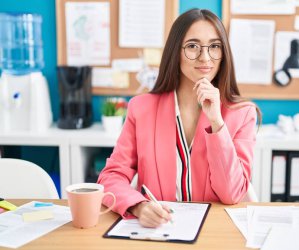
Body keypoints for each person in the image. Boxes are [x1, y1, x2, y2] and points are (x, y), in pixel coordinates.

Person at [98, 8, 261, 228]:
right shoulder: (142, 108)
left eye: (214, 46)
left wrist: (217, 124)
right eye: (193, 46)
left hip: (215, 233)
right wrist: (139, 206)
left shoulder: (242, 114)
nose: (205, 57)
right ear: (176, 52)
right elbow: (111, 177)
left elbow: (232, 194)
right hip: (158, 232)